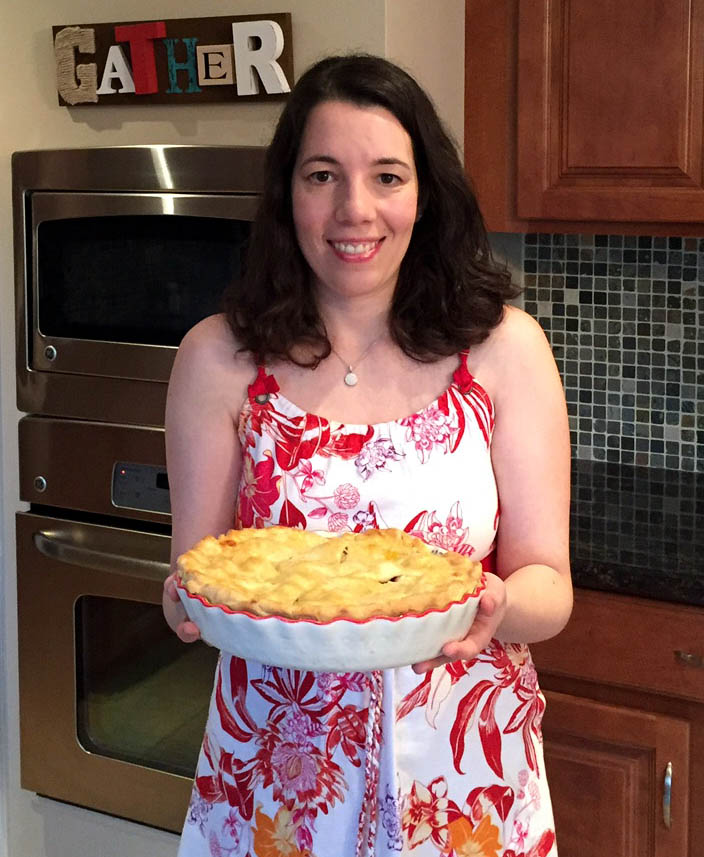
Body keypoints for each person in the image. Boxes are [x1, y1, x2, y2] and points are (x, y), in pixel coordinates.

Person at [163, 53, 572, 857]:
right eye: (322, 175)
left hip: (463, 779)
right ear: (288, 194)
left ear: (425, 193)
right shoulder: (218, 360)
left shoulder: (504, 350)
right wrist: (179, 600)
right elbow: (199, 574)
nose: (355, 209)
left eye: (387, 176)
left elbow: (549, 587)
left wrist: (492, 605)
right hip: (280, 780)